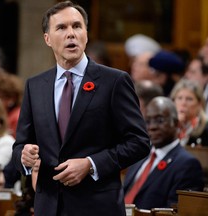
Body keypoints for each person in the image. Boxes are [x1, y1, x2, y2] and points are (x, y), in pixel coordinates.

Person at [12, 1, 150, 216]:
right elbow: (21, 143)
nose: (71, 34)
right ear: (47, 39)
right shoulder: (35, 85)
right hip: (48, 206)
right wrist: (24, 156)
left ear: (86, 34)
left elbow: (139, 142)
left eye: (77, 26)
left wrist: (90, 164)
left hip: (97, 206)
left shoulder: (114, 81)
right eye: (61, 28)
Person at [124, 96, 204, 209]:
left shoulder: (188, 165)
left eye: (160, 120)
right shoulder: (139, 154)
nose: (152, 127)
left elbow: (176, 211)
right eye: (148, 121)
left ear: (176, 124)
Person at [170, 79, 208, 147]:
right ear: (173, 102)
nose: (183, 103)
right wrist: (174, 125)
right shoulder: (166, 126)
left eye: (189, 99)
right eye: (179, 98)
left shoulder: (206, 129)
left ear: (199, 104)